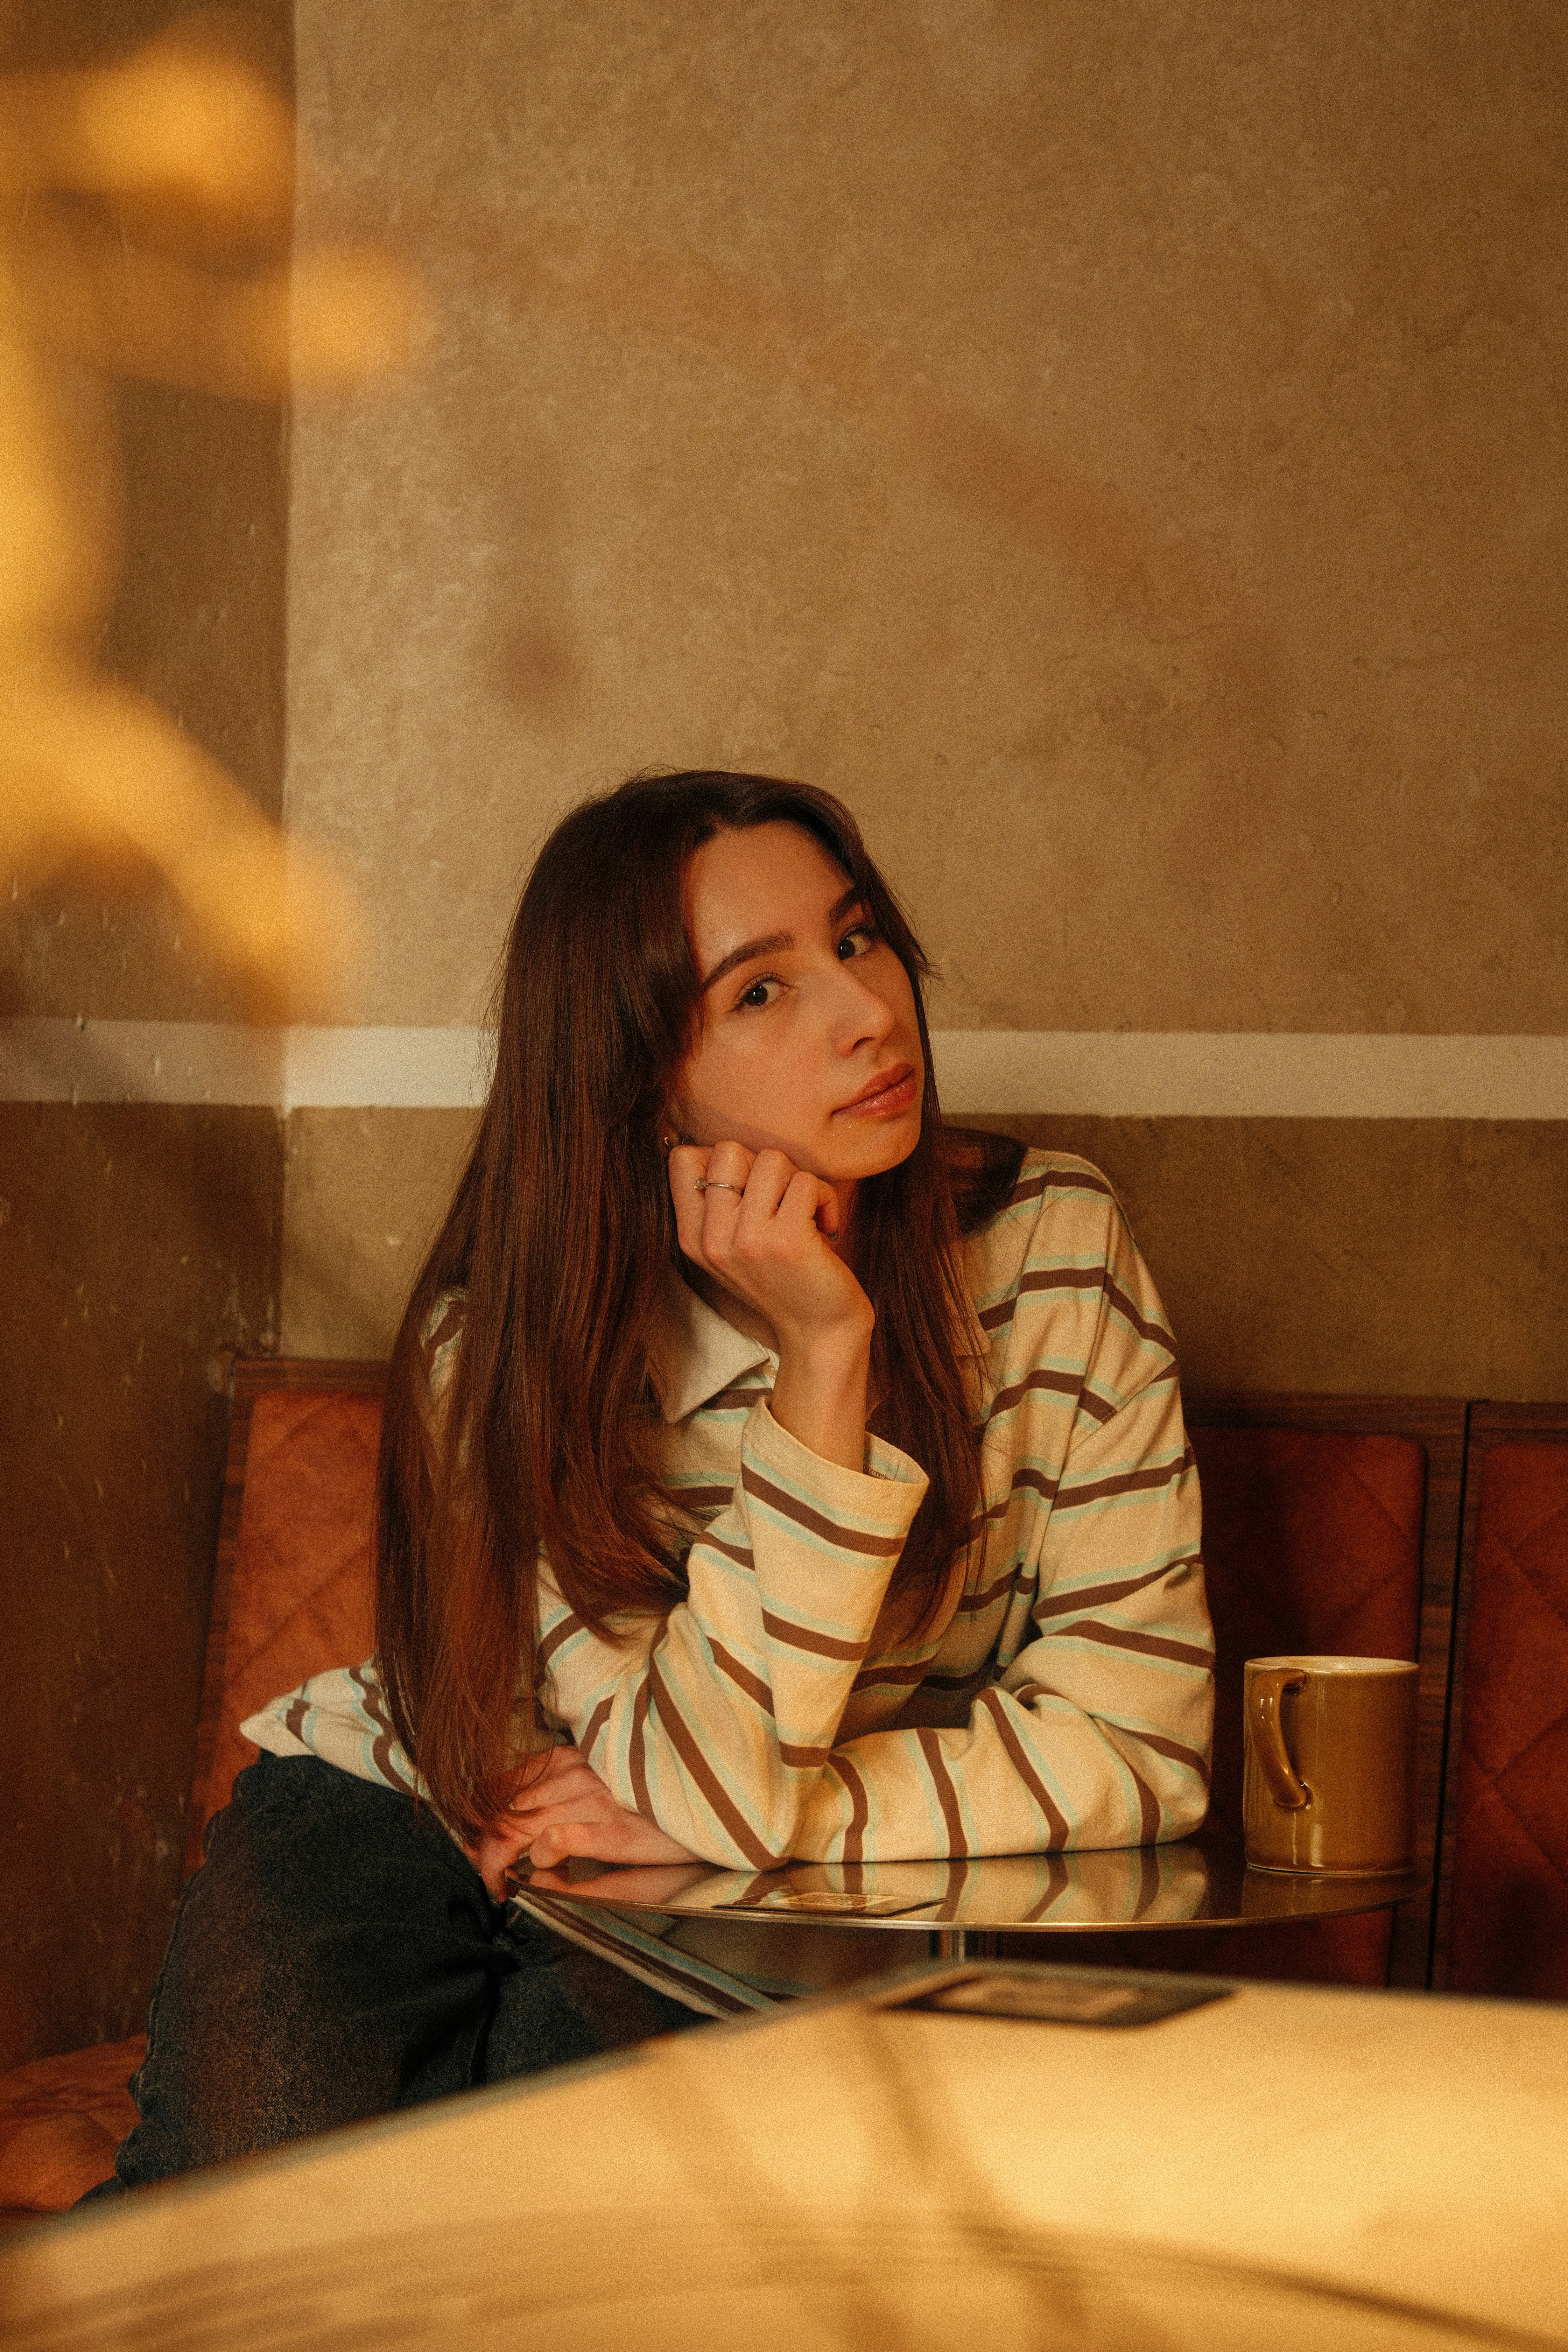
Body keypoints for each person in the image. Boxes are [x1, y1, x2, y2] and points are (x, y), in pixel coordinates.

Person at [89, 769, 1212, 2192]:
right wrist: (700, 1804)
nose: (866, 1011)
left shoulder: (1050, 1247)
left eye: (855, 939)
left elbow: (1140, 1746)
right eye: (758, 992)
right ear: (637, 1084)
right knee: (234, 2212)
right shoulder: (496, 1339)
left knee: (562, 2212)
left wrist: (823, 1349)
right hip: (413, 1793)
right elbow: (650, 1770)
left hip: (757, 1870)